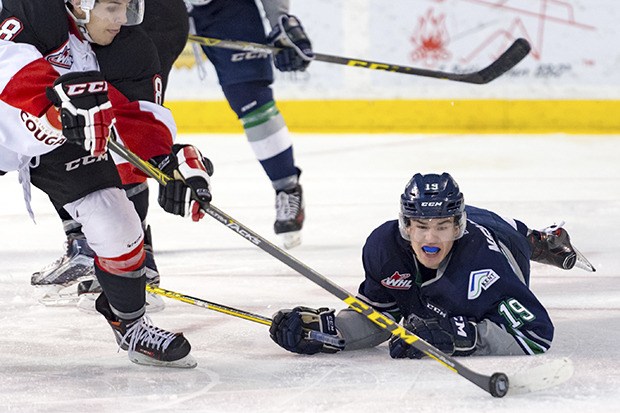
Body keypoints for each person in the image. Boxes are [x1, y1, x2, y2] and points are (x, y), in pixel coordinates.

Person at [0, 0, 213, 367]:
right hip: (10, 117)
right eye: (113, 8)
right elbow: (7, 64)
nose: (123, 20)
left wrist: (166, 162)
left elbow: (135, 116)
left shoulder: (129, 48)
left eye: (129, 7)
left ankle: (131, 325)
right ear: (80, 5)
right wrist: (53, 105)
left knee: (118, 222)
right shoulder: (34, 12)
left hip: (57, 142)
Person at [268, 173, 595, 358]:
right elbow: (381, 315)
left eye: (441, 226)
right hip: (469, 224)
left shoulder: (487, 266)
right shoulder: (384, 248)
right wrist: (329, 332)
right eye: (421, 226)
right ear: (406, 226)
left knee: (515, 234)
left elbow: (535, 335)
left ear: (457, 226)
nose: (431, 238)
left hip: (499, 234)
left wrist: (461, 336)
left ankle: (545, 240)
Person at [29, 0, 191, 312]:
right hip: (88, 19)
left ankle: (134, 255)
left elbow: (139, 131)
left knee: (123, 135)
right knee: (71, 125)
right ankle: (89, 245)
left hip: (151, 21)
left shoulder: (132, 36)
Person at [186, 0, 313, 249]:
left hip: (228, 9)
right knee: (136, 97)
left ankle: (286, 187)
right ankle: (126, 217)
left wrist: (281, 21)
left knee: (251, 99)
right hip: (155, 8)